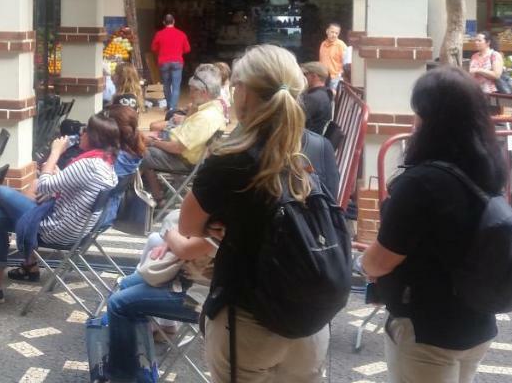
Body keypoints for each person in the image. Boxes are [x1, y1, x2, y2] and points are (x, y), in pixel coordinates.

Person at [177, 45, 338, 382]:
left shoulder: (230, 156)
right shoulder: (320, 149)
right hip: (311, 319)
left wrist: (227, 224)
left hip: (248, 319)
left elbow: (189, 225)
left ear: (245, 93)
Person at [361, 67, 508, 383]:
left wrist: (362, 262)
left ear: (430, 120)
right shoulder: (488, 170)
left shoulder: (421, 182)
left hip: (427, 327)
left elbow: (382, 260)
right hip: (477, 319)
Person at [0, 112, 120, 303]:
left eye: (85, 131)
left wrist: (55, 152)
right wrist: (57, 175)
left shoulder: (88, 164)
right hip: (75, 230)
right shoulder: (105, 164)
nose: (81, 134)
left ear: (93, 137)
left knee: (1, 192)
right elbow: (67, 185)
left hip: (55, 229)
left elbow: (44, 185)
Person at [103, 210, 216, 382]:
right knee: (125, 285)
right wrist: (174, 240)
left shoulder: (229, 220)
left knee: (118, 304)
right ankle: (136, 361)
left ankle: (125, 377)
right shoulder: (228, 209)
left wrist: (171, 232)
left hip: (203, 297)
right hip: (187, 277)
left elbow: (177, 222)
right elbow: (184, 219)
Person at [141, 64, 227, 201]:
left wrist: (153, 142)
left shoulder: (205, 117)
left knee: (137, 149)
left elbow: (178, 148)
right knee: (139, 140)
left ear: (204, 92)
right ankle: (155, 191)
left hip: (182, 160)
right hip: (178, 149)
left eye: (193, 91)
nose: (190, 95)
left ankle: (157, 196)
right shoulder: (211, 109)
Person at [151, 14, 191, 113]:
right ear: (174, 22)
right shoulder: (181, 34)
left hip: (164, 62)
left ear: (164, 23)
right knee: (176, 86)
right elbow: (187, 49)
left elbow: (153, 48)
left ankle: (169, 106)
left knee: (166, 85)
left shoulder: (159, 34)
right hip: (177, 62)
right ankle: (173, 108)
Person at [300, 61, 334, 135]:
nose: (302, 77)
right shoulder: (324, 93)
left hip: (306, 140)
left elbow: (293, 120)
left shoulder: (314, 98)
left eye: (304, 74)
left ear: (314, 76)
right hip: (313, 137)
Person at [467, 31, 504, 95]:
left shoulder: (495, 55)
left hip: (490, 93)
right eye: (475, 40)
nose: (476, 42)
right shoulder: (474, 56)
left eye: (479, 41)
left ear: (488, 42)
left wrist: (478, 70)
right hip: (476, 92)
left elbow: (496, 75)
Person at [319, 23, 349, 91]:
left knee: (333, 99)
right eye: (332, 32)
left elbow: (347, 64)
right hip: (323, 77)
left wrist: (340, 75)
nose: (334, 35)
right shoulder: (323, 44)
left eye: (336, 33)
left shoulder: (341, 45)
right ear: (327, 31)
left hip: (335, 79)